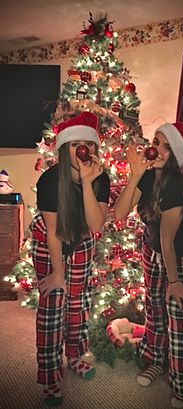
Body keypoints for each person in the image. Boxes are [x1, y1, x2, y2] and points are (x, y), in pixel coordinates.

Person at [114, 122, 183, 408]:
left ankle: (182, 385)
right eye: (157, 141)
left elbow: (169, 240)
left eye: (167, 147)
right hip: (152, 250)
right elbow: (119, 213)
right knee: (154, 312)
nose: (157, 148)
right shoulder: (146, 178)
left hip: (180, 257)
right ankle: (156, 362)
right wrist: (134, 175)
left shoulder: (175, 187)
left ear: (175, 156)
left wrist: (175, 282)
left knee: (178, 317)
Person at [31, 111, 110, 406]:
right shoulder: (50, 180)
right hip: (50, 243)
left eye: (87, 143)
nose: (82, 149)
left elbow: (96, 225)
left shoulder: (101, 178)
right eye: (75, 143)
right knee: (53, 308)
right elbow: (53, 232)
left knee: (77, 305)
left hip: (81, 240)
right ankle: (50, 377)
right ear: (65, 148)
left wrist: (89, 183)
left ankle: (74, 356)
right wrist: (58, 274)